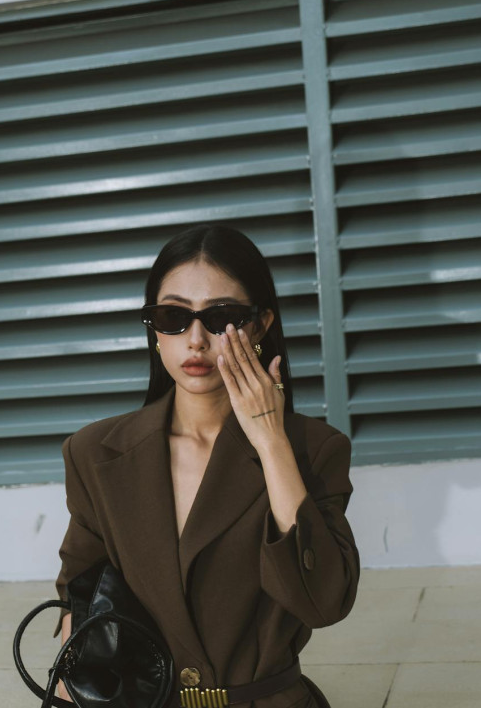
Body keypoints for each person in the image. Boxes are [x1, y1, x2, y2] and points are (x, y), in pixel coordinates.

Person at [53, 224, 360, 708]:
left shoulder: (314, 450)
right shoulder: (95, 453)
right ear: (153, 328)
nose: (195, 339)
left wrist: (271, 441)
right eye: (173, 315)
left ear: (259, 326)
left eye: (222, 317)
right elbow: (82, 594)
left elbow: (323, 602)